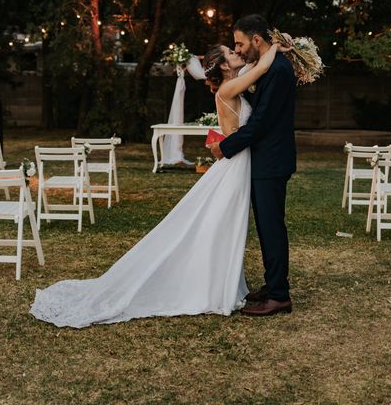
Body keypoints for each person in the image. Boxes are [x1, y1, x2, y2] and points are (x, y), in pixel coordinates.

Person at [30, 42, 286, 328]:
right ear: (225, 66)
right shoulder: (228, 89)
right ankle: (211, 287)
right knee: (219, 225)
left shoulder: (233, 83)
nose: (238, 52)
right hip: (235, 166)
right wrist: (275, 45)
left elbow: (253, 68)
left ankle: (221, 281)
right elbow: (261, 66)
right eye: (232, 52)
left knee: (223, 225)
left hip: (238, 164)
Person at [210, 14, 297, 317]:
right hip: (263, 160)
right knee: (265, 227)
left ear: (257, 40)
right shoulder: (266, 69)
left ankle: (279, 296)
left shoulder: (278, 71)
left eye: (240, 43)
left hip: (271, 160)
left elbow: (260, 123)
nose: (239, 48)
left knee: (272, 228)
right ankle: (272, 284)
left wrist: (226, 147)